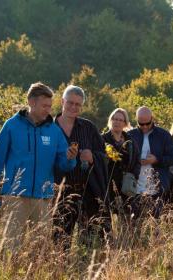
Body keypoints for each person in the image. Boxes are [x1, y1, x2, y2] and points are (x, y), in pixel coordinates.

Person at [0, 82, 77, 252]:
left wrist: (70, 158)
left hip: (43, 197)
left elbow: (63, 164)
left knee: (40, 250)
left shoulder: (54, 131)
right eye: (44, 105)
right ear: (31, 102)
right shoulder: (11, 125)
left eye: (50, 106)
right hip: (14, 196)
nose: (48, 110)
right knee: (11, 248)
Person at [52, 85, 109, 250]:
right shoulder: (49, 127)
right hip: (58, 193)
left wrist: (93, 157)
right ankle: (61, 271)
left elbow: (104, 155)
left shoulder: (88, 127)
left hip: (87, 191)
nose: (73, 107)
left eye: (77, 104)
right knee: (60, 239)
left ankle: (85, 270)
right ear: (62, 101)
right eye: (70, 103)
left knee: (89, 239)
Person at [127, 106, 173, 218]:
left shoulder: (164, 135)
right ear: (136, 120)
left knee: (157, 222)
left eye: (147, 123)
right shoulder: (130, 135)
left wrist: (156, 159)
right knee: (134, 222)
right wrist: (135, 160)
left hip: (158, 187)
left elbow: (172, 158)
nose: (144, 126)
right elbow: (124, 159)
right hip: (134, 187)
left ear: (152, 118)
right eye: (141, 123)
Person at [101, 108, 140, 214]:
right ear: (111, 120)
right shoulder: (102, 139)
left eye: (120, 120)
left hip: (126, 186)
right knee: (107, 216)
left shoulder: (130, 141)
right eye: (115, 119)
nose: (117, 122)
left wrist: (134, 175)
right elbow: (97, 161)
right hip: (108, 185)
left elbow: (137, 161)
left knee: (126, 217)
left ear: (125, 123)